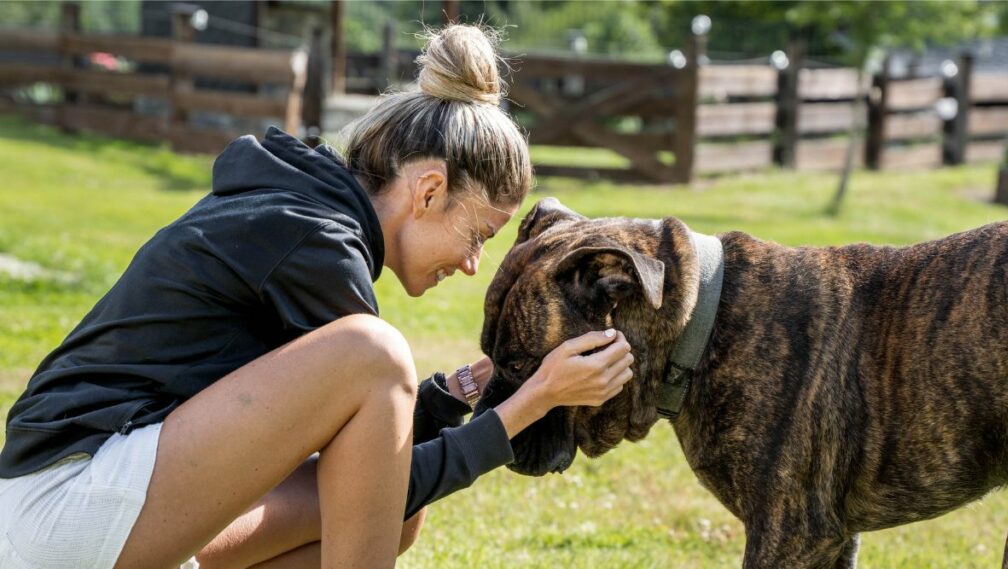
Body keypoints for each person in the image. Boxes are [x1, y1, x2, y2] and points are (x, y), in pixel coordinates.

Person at [0, 24, 635, 569]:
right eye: (476, 236)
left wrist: (443, 399)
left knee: (393, 521)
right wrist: (530, 404)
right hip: (66, 511)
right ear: (430, 189)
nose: (473, 264)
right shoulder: (316, 244)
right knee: (376, 356)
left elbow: (367, 480)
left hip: (81, 504)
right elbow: (381, 480)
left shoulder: (306, 210)